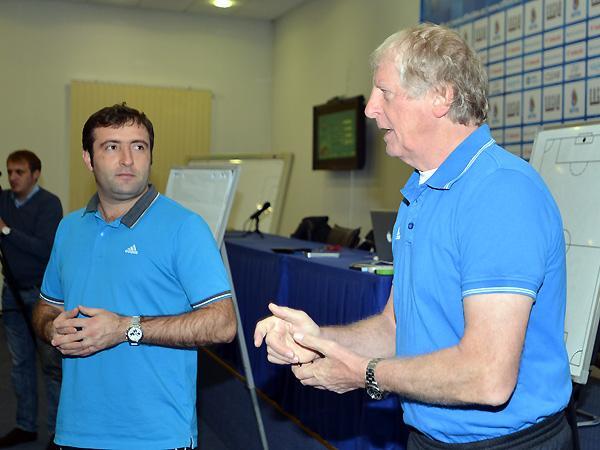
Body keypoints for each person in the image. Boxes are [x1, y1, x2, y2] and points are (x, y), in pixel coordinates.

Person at [255, 24, 573, 449]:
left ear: (441, 96)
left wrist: (365, 373)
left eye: (384, 92)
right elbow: (395, 327)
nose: (370, 109)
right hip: (429, 437)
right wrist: (317, 340)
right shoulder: (420, 193)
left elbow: (488, 376)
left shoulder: (500, 193)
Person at [32, 103, 236, 449]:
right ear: (88, 159)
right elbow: (45, 308)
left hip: (156, 436)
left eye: (138, 147)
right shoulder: (69, 228)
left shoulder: (185, 228)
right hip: (75, 430)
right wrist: (53, 328)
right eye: (112, 147)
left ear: (150, 155)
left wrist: (125, 328)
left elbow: (222, 324)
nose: (127, 160)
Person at [0, 150, 62, 449]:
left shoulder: (49, 204)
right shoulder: (3, 200)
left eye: (20, 172)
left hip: (42, 296)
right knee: (19, 363)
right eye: (10, 172)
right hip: (11, 291)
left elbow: (45, 249)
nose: (13, 178)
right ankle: (25, 425)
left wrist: (6, 230)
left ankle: (57, 432)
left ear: (35, 174)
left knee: (50, 365)